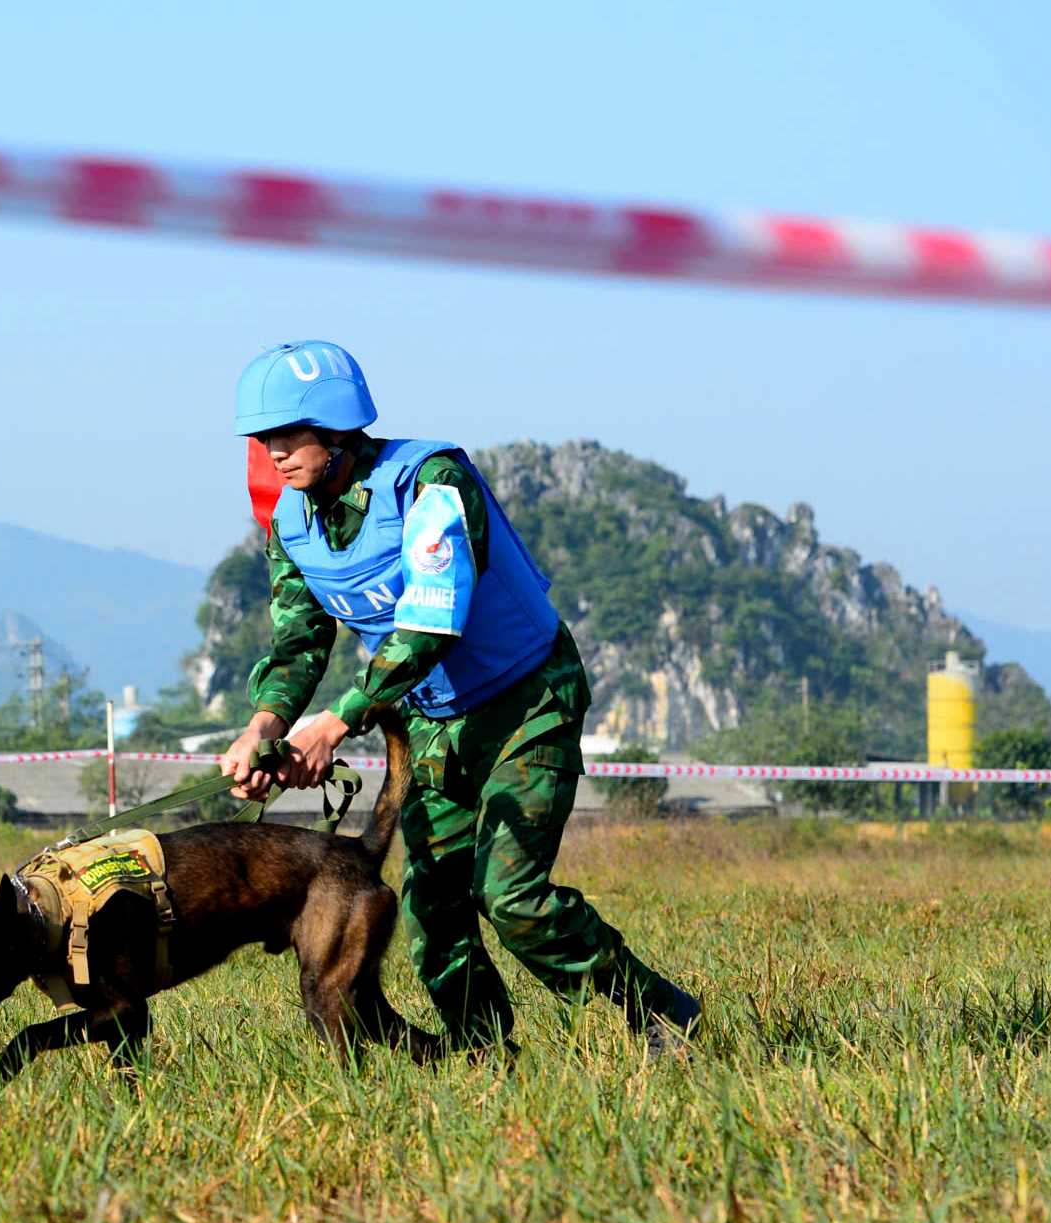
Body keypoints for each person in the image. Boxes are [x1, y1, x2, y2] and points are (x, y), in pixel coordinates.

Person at [216, 339, 701, 1055]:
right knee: (431, 907)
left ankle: (659, 1010)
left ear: (338, 423)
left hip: (528, 700)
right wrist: (265, 727)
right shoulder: (292, 524)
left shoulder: (431, 483)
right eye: (264, 439)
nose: (274, 453)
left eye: (289, 434)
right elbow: (298, 642)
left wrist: (335, 724)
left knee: (511, 895)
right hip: (435, 718)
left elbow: (431, 620)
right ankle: (485, 1055)